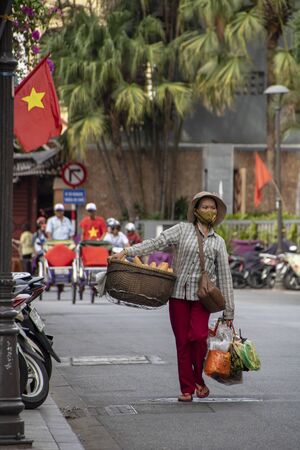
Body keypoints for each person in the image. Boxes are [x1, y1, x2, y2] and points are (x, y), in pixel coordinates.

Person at [111, 191, 234, 402]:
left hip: (203, 298)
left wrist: (229, 311)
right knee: (182, 343)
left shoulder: (218, 242)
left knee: (197, 337)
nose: (209, 211)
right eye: (205, 207)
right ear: (195, 211)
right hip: (177, 295)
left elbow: (225, 276)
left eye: (212, 207)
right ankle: (188, 388)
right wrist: (128, 252)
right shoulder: (182, 230)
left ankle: (197, 378)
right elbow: (156, 242)